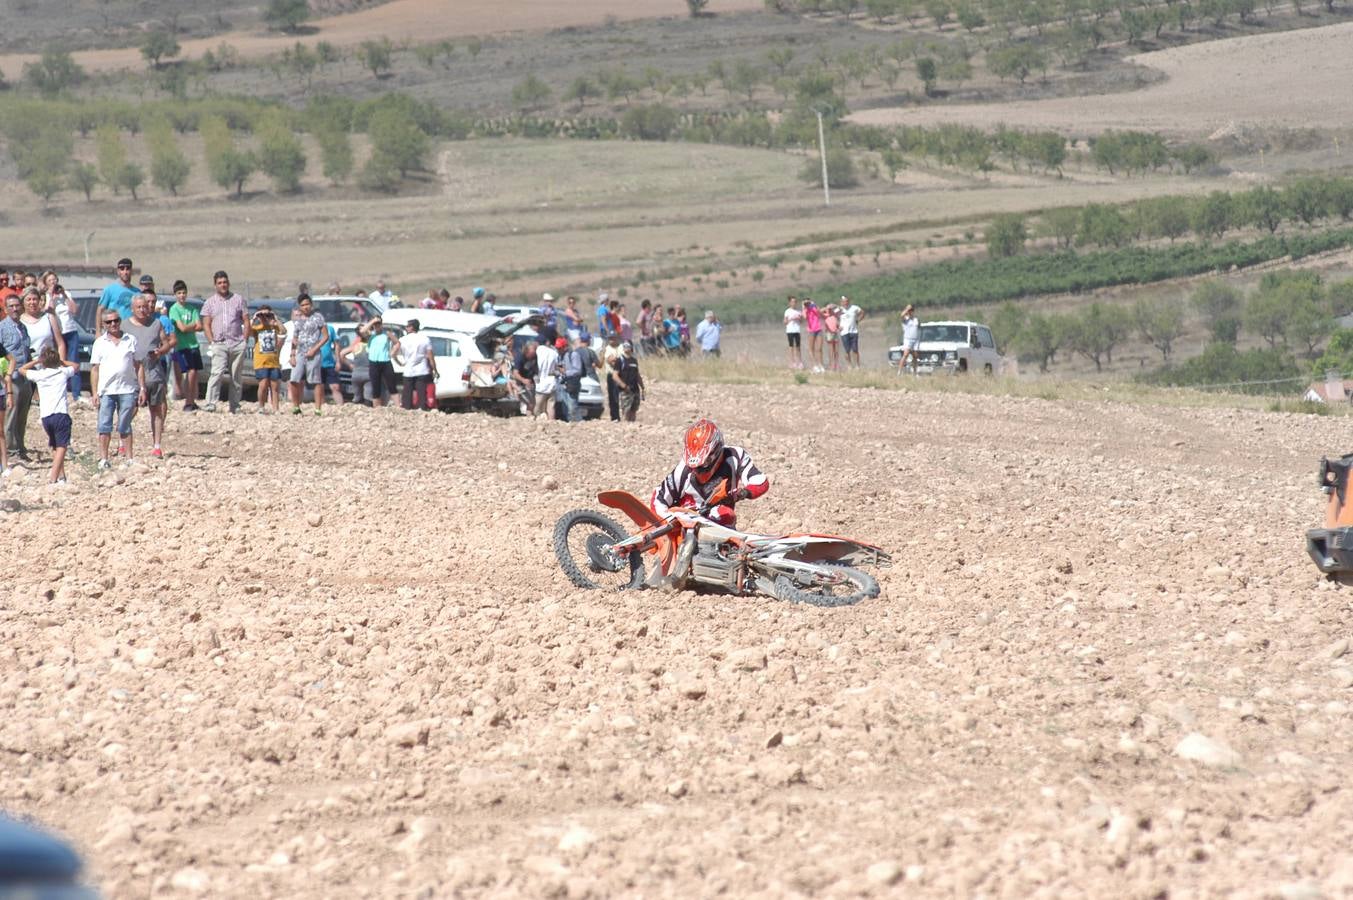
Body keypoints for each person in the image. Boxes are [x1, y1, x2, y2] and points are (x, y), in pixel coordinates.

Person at [651, 419, 769, 529]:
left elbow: (760, 480)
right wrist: (670, 521)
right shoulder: (683, 469)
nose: (698, 470)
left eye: (705, 462)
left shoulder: (735, 456)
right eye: (694, 466)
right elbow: (658, 498)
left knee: (725, 515)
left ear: (716, 450)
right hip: (684, 522)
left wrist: (744, 492)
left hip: (719, 521)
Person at [90, 305, 144, 469]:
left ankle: (129, 458)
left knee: (125, 425)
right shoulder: (99, 343)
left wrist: (142, 388)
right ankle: (104, 458)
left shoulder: (130, 339)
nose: (113, 324)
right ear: (104, 324)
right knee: (104, 425)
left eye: (116, 320)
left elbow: (138, 365)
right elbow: (95, 369)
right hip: (106, 391)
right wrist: (94, 392)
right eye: (109, 322)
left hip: (127, 389)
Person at [123, 290, 174, 458]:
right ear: (132, 309)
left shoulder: (156, 324)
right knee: (130, 408)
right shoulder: (124, 325)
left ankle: (157, 445)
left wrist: (159, 352)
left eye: (145, 307)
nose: (143, 310)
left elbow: (167, 343)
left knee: (156, 410)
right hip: (132, 374)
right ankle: (122, 442)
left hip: (153, 373)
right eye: (139, 307)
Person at [19, 347, 78, 484]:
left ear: (43, 362)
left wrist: (36, 361)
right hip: (60, 414)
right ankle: (53, 478)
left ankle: (61, 477)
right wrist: (62, 362)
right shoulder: (62, 372)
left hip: (46, 416)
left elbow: (21, 369)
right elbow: (76, 366)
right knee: (62, 446)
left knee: (55, 446)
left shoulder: (39, 375)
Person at [201, 270, 249, 413]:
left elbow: (246, 320)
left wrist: (245, 340)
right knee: (217, 373)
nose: (223, 285)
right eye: (220, 283)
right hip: (219, 343)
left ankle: (235, 405)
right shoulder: (210, 302)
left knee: (236, 375)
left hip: (236, 342)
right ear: (215, 285)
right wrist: (212, 341)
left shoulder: (238, 299)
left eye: (225, 282)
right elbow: (206, 323)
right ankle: (210, 402)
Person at [0, 295, 32, 461]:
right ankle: (11, 451)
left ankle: (20, 447)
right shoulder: (2, 328)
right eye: (11, 306)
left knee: (23, 415)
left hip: (24, 375)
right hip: (10, 377)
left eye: (17, 305)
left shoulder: (23, 327)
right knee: (11, 415)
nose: (15, 309)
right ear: (6, 309)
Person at [288, 294, 330, 416]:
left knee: (316, 380)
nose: (305, 307)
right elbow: (295, 338)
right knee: (294, 379)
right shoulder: (298, 319)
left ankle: (317, 408)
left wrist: (315, 349)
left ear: (311, 304)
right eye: (303, 305)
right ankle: (296, 406)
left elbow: (325, 336)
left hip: (313, 353)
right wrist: (292, 355)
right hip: (300, 352)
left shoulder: (318, 317)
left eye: (307, 304)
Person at [168, 280, 203, 411]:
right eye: (179, 293)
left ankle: (192, 400)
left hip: (194, 345)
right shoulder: (174, 309)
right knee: (190, 372)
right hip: (182, 346)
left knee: (194, 374)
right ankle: (188, 401)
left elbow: (200, 326)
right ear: (175, 294)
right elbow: (181, 328)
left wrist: (191, 326)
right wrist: (192, 326)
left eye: (184, 292)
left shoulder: (192, 308)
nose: (182, 295)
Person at [44, 276, 80, 401]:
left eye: (55, 280)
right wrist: (51, 295)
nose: (53, 282)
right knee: (58, 361)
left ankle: (76, 393)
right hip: (56, 332)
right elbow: (49, 310)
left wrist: (64, 295)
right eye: (50, 281)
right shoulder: (46, 296)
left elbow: (74, 310)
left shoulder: (66, 294)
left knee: (73, 360)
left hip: (70, 330)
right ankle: (61, 389)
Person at [394, 318, 438, 411]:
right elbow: (430, 357)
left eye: (407, 326)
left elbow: (393, 353)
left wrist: (399, 362)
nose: (406, 328)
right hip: (422, 370)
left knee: (407, 394)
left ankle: (407, 411)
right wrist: (435, 370)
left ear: (411, 327)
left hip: (408, 370)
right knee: (421, 393)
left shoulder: (403, 339)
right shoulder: (425, 339)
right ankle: (422, 410)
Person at [249, 305, 286, 412]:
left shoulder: (274, 327)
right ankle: (261, 406)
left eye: (267, 315)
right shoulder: (257, 329)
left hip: (274, 361)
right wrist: (255, 318)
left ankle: (275, 408)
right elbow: (247, 332)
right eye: (263, 315)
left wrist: (275, 319)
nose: (265, 317)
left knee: (275, 386)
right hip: (261, 361)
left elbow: (283, 331)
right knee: (263, 384)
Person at [559, 334, 597, 423]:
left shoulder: (574, 354)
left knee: (573, 405)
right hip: (564, 383)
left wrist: (565, 372)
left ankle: (578, 422)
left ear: (565, 347)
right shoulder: (562, 356)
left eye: (560, 348)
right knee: (566, 407)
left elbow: (577, 370)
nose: (558, 350)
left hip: (573, 383)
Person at [98, 257, 137, 333]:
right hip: (112, 329)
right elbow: (100, 310)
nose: (125, 272)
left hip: (131, 331)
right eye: (122, 269)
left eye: (128, 269)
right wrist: (98, 331)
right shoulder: (109, 290)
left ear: (131, 271)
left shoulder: (137, 292)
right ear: (118, 271)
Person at [340, 324, 372, 406]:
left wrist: (350, 365)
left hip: (356, 373)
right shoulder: (371, 345)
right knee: (368, 397)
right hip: (368, 373)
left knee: (357, 397)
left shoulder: (356, 345)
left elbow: (342, 354)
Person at [366, 318, 395, 408]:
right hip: (374, 362)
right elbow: (362, 330)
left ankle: (398, 406)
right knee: (376, 387)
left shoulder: (386, 334)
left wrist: (393, 352)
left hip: (385, 361)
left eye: (379, 324)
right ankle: (377, 408)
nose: (377, 326)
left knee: (391, 385)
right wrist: (372, 321)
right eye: (376, 325)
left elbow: (397, 343)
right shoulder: (371, 335)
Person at [616, 341, 644, 423]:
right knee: (626, 411)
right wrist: (623, 386)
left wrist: (642, 386)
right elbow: (615, 375)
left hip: (635, 389)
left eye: (627, 346)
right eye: (624, 346)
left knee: (634, 410)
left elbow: (637, 374)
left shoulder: (634, 360)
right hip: (625, 390)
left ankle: (632, 427)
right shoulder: (620, 360)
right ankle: (626, 427)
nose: (626, 347)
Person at [533, 336, 559, 420]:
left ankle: (537, 423)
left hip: (540, 383)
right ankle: (552, 423)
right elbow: (556, 367)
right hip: (551, 382)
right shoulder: (554, 353)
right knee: (551, 407)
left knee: (538, 407)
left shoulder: (537, 352)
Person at [320, 321, 344, 405]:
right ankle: (321, 407)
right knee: (319, 387)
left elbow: (336, 345)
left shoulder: (330, 329)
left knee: (335, 387)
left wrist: (338, 361)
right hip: (316, 363)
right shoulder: (311, 328)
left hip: (329, 363)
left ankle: (340, 407)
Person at [601, 332, 623, 422]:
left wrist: (617, 359)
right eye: (609, 338)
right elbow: (610, 361)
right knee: (613, 397)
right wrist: (619, 359)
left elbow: (626, 358)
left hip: (623, 374)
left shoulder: (622, 347)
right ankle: (615, 417)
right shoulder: (607, 349)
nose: (611, 340)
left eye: (612, 338)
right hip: (612, 375)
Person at [512, 340, 538, 415]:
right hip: (520, 382)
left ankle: (529, 417)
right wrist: (523, 380)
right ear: (527, 351)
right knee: (529, 402)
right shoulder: (520, 357)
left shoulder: (535, 357)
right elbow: (515, 373)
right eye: (532, 353)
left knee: (532, 403)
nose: (533, 355)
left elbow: (535, 369)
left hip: (530, 381)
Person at [838, 295, 864, 369]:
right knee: (847, 350)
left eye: (846, 301)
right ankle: (849, 365)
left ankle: (857, 365)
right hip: (844, 332)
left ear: (849, 301)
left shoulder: (854, 308)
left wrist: (858, 320)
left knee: (855, 349)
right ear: (841, 302)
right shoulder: (839, 309)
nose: (845, 303)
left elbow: (862, 312)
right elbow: (832, 315)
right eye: (843, 302)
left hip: (853, 331)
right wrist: (837, 325)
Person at [804, 298, 825, 373]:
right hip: (811, 330)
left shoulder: (814, 307)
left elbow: (820, 314)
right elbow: (805, 317)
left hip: (818, 329)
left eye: (808, 302)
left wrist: (814, 305)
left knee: (819, 348)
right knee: (811, 348)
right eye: (806, 302)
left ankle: (820, 365)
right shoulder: (805, 309)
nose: (807, 304)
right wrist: (805, 308)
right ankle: (814, 365)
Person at [899, 304, 920, 375]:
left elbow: (918, 328)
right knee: (906, 354)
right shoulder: (906, 319)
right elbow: (901, 315)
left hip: (915, 340)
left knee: (915, 356)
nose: (911, 312)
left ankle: (915, 372)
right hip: (908, 339)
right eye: (909, 311)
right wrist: (907, 309)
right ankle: (900, 371)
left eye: (912, 310)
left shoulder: (916, 320)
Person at [784, 296, 804, 369]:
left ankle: (800, 362)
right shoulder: (787, 311)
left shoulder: (798, 311)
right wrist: (791, 319)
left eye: (795, 302)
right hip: (790, 331)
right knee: (791, 347)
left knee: (798, 347)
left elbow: (801, 321)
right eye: (792, 302)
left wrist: (799, 318)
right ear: (789, 303)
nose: (794, 303)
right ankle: (792, 362)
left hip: (797, 330)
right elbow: (785, 322)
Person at [823, 302, 841, 371]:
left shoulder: (835, 314)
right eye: (829, 309)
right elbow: (820, 311)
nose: (830, 310)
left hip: (835, 332)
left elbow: (840, 309)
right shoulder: (825, 315)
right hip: (829, 333)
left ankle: (836, 364)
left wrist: (835, 305)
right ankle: (831, 364)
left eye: (831, 309)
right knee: (831, 350)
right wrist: (827, 307)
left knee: (836, 350)